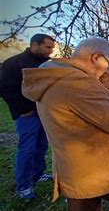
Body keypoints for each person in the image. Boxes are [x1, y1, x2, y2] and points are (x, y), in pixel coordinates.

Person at [22, 37, 109, 209]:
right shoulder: (78, 83)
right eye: (108, 62)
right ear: (95, 57)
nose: (108, 68)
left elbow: (87, 112)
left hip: (75, 170)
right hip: (102, 169)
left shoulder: (56, 78)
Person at [0, 34, 55, 199]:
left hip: (43, 112)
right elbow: (5, 89)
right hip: (27, 116)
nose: (51, 51)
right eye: (48, 47)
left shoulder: (46, 64)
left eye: (52, 48)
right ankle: (24, 185)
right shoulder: (14, 63)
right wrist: (23, 109)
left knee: (41, 145)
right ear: (35, 45)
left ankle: (38, 174)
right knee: (27, 149)